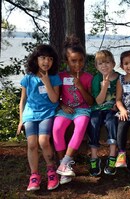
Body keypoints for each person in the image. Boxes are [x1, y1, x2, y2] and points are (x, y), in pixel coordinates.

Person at [17, 44, 61, 191]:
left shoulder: (54, 78)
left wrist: (47, 83)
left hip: (47, 113)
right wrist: (21, 120)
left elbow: (55, 100)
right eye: (43, 58)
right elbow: (23, 100)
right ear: (36, 60)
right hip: (30, 114)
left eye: (50, 59)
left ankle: (51, 171)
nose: (46, 62)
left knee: (43, 141)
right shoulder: (28, 78)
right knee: (31, 144)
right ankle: (34, 175)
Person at [52, 35, 94, 184]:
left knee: (81, 125)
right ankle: (63, 168)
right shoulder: (60, 76)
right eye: (73, 61)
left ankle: (65, 163)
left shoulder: (88, 77)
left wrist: (80, 86)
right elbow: (56, 97)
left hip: (82, 109)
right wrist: (62, 105)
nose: (78, 64)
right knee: (57, 128)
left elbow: (90, 101)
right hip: (65, 109)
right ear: (66, 61)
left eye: (81, 60)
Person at [87, 50, 119, 176]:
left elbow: (121, 97)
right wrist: (105, 86)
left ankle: (112, 155)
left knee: (112, 121)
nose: (104, 66)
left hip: (112, 110)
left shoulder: (119, 78)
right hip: (98, 109)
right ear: (96, 66)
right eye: (100, 63)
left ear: (113, 63)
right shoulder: (96, 79)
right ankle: (94, 157)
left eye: (107, 62)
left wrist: (118, 104)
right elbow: (99, 101)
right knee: (93, 122)